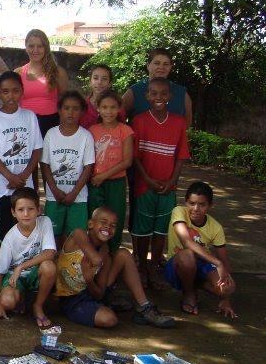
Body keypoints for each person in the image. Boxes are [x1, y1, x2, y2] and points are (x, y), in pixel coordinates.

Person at [56, 207, 175, 328]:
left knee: (123, 254)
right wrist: (97, 264)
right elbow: (96, 260)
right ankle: (107, 305)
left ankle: (144, 307)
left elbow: (99, 294)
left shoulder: (105, 252)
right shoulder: (78, 234)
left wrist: (89, 280)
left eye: (113, 225)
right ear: (90, 224)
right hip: (72, 299)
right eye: (103, 222)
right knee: (109, 319)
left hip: (91, 291)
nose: (108, 227)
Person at [130, 78, 190, 287]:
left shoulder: (178, 122)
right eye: (154, 93)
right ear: (147, 96)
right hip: (144, 185)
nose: (158, 98)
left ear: (170, 96)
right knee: (142, 230)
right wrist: (147, 179)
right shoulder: (138, 121)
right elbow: (135, 157)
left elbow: (181, 156)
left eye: (163, 94)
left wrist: (172, 181)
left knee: (161, 230)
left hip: (168, 187)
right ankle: (142, 268)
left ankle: (155, 266)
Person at [0, 187, 57, 328]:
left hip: (35, 273)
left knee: (49, 266)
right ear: (13, 212)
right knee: (7, 301)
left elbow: (50, 253)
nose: (26, 214)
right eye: (20, 210)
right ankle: (22, 298)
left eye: (30, 209)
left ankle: (37, 305)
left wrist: (21, 266)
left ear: (38, 210)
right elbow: (0, 272)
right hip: (14, 278)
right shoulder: (10, 237)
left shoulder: (45, 222)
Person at [0, 70, 43, 243]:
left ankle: (25, 262)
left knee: (26, 222)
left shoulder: (29, 116)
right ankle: (3, 263)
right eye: (5, 91)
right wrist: (10, 176)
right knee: (4, 223)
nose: (11, 95)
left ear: (22, 91)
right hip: (3, 184)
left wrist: (23, 176)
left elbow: (37, 149)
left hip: (24, 183)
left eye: (15, 90)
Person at [164, 182, 236, 318]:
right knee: (187, 255)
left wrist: (226, 299)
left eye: (202, 205)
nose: (196, 208)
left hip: (202, 264)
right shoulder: (178, 211)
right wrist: (218, 263)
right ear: (186, 202)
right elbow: (186, 241)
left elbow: (224, 261)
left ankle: (197, 284)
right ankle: (189, 294)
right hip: (177, 265)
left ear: (210, 206)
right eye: (191, 203)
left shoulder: (216, 227)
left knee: (229, 286)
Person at [41, 91, 95, 249]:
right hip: (54, 196)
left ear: (83, 112)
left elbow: (88, 167)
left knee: (76, 236)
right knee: (53, 235)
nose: (70, 112)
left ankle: (71, 270)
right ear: (59, 110)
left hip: (78, 197)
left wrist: (74, 193)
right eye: (66, 108)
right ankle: (54, 268)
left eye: (76, 108)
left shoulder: (86, 136)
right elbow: (45, 165)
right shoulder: (51, 134)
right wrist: (54, 190)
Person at [87, 90, 134, 251]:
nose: (109, 111)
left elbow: (127, 161)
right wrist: (96, 177)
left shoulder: (125, 130)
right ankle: (93, 258)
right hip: (95, 182)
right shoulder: (92, 130)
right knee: (95, 220)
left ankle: (112, 257)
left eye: (113, 107)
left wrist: (104, 175)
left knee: (115, 220)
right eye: (104, 107)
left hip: (116, 183)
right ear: (98, 108)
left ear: (119, 108)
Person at [14, 29, 70, 163]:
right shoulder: (18, 72)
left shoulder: (58, 72)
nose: (35, 50)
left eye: (40, 46)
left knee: (49, 164)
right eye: (31, 46)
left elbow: (65, 101)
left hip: (51, 122)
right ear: (26, 47)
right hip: (26, 123)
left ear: (46, 47)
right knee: (27, 162)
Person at [122, 48, 192, 123]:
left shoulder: (181, 93)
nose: (161, 67)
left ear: (170, 67)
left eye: (166, 64)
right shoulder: (134, 92)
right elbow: (117, 120)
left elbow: (187, 125)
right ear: (148, 66)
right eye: (157, 63)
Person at [79, 64, 114, 129]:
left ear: (110, 84)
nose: (99, 82)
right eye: (95, 78)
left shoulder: (116, 106)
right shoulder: (81, 106)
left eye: (104, 79)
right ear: (90, 81)